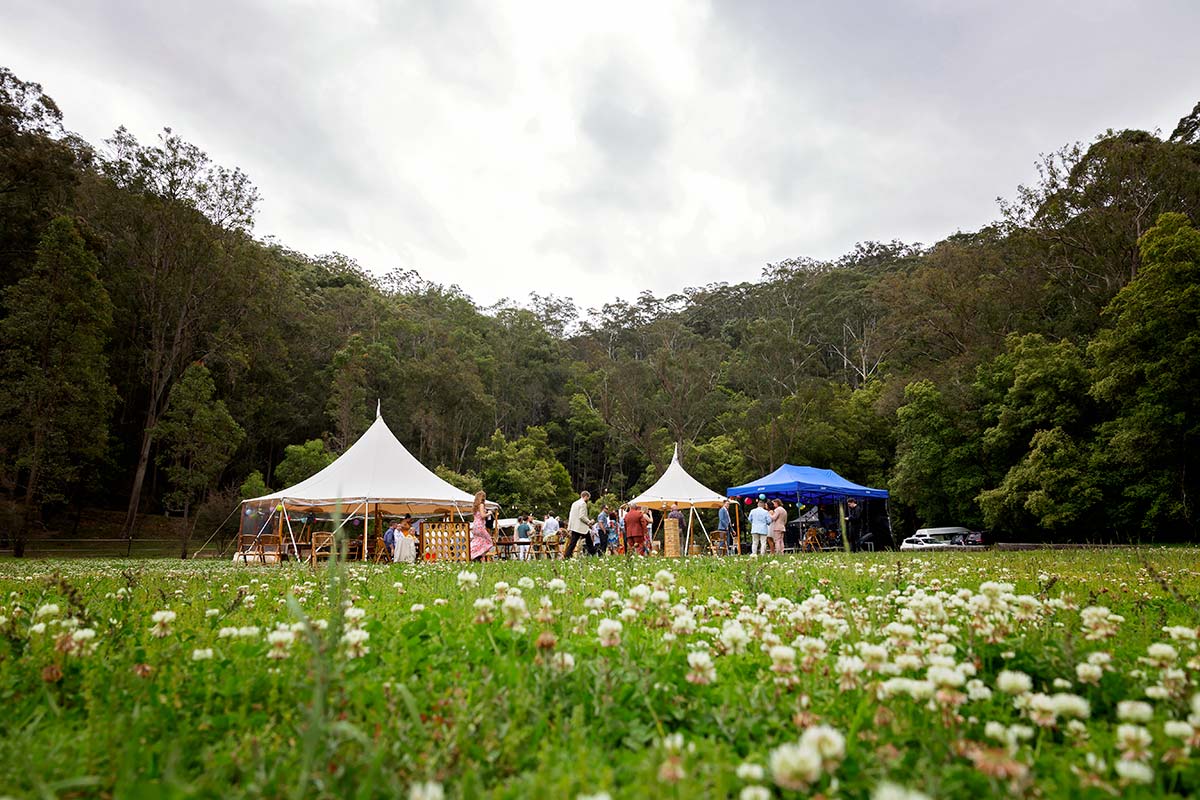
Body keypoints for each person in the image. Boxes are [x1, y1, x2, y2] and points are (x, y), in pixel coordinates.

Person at [564, 491, 594, 559]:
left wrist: (570, 526)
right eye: (588, 498)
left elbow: (571, 516)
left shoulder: (574, 503)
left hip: (575, 527)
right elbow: (582, 516)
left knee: (573, 543)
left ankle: (567, 555)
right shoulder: (583, 504)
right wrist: (589, 522)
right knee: (589, 541)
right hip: (581, 527)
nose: (588, 500)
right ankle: (593, 554)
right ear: (586, 496)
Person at [469, 491, 493, 561]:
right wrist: (489, 513)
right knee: (489, 541)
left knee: (477, 540)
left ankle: (471, 554)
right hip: (480, 525)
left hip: (475, 526)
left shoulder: (475, 506)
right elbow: (482, 516)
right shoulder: (481, 505)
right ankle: (476, 555)